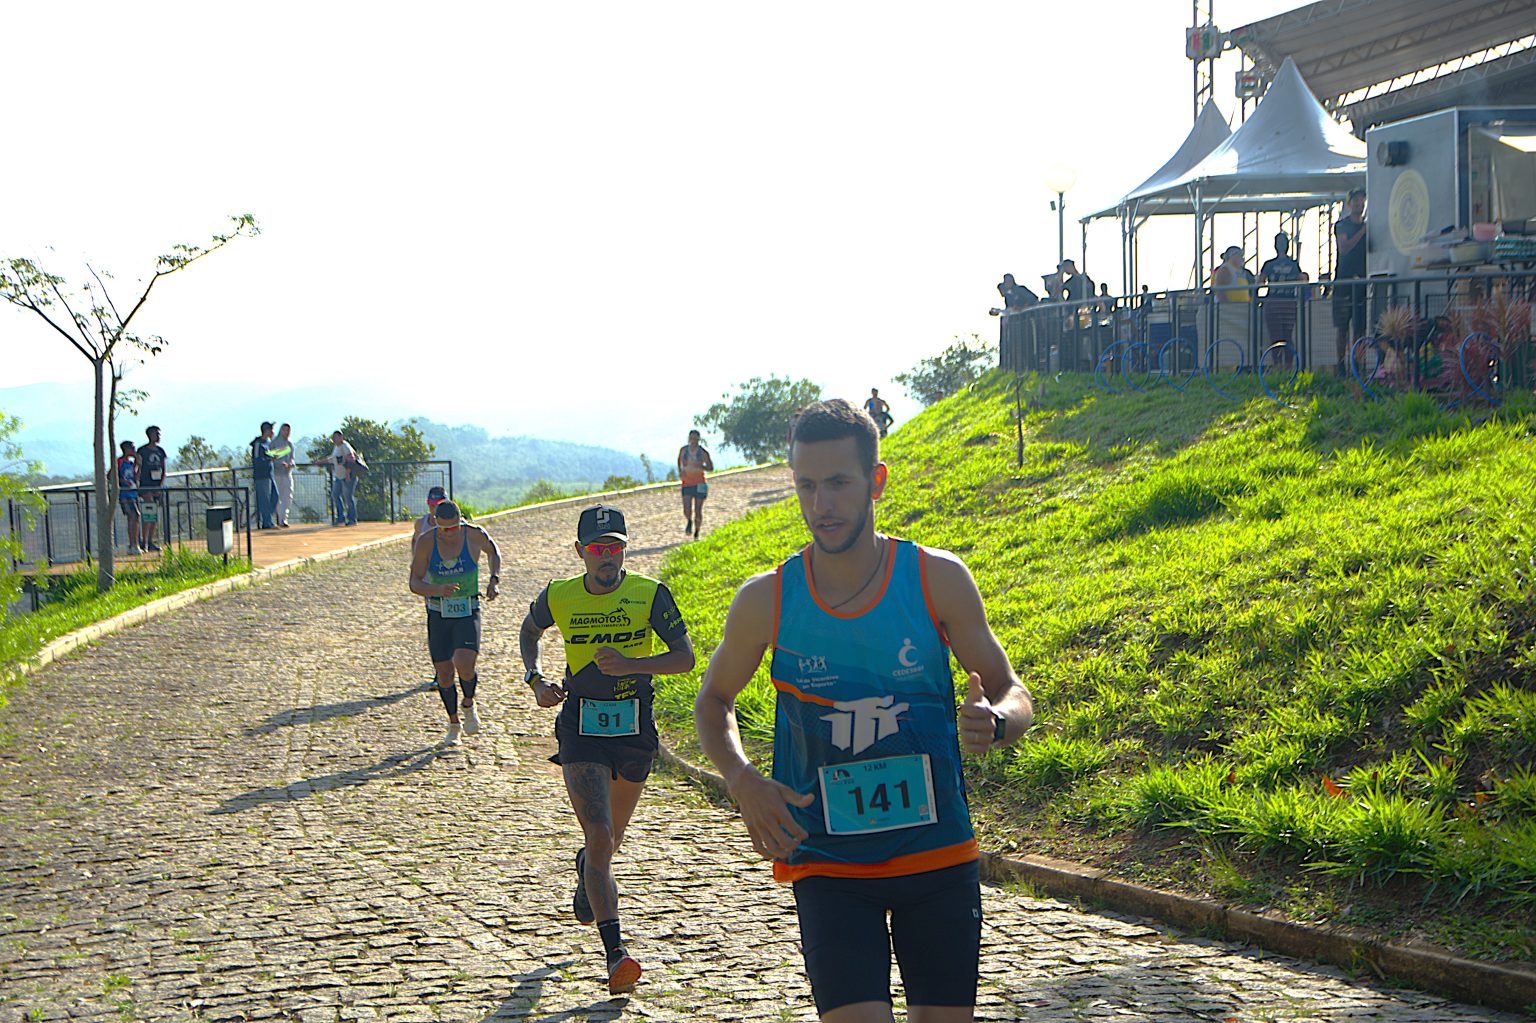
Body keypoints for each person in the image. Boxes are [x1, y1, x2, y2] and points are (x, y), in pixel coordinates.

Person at [694, 398, 1034, 1023]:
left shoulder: (936, 579)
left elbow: (1012, 688)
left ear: (876, 481)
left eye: (838, 484)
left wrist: (999, 720)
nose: (821, 505)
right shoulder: (767, 600)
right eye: (806, 485)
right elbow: (712, 700)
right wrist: (742, 780)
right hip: (827, 860)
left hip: (936, 856)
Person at [519, 504, 696, 995]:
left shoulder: (650, 594)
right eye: (597, 549)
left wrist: (634, 662)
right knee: (598, 833)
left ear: (624, 549)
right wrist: (535, 679)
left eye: (614, 547)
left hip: (634, 727)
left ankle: (587, 871)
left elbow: (685, 658)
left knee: (608, 842)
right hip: (581, 726)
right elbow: (528, 632)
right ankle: (615, 953)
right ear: (580, 552)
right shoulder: (559, 596)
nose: (607, 557)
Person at [408, 499, 502, 746]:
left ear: (461, 522)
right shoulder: (427, 542)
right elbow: (414, 582)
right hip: (438, 613)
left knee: (464, 662)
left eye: (454, 528)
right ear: (436, 524)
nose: (449, 533)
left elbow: (493, 552)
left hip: (467, 609)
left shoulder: (474, 535)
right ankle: (453, 723)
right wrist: (438, 589)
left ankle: (469, 703)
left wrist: (494, 580)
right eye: (444, 529)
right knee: (445, 673)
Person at [1333, 189, 1369, 375]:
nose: (1359, 204)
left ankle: (1358, 363)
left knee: (1360, 327)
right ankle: (1340, 364)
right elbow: (1344, 247)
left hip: (1361, 283)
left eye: (1362, 200)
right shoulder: (1341, 225)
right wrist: (1363, 231)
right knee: (1342, 327)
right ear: (1349, 204)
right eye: (1355, 201)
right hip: (1343, 283)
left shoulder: (1369, 226)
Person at [1258, 233, 1308, 354]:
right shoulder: (1294, 265)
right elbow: (1303, 280)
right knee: (1288, 336)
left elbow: (1259, 282)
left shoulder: (1268, 264)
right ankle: (1289, 365)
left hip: (1273, 302)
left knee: (1275, 337)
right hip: (1289, 303)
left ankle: (1278, 365)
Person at [314, 430, 360, 526]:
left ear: (341, 437)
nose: (334, 439)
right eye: (333, 438)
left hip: (347, 476)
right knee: (335, 495)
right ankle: (340, 518)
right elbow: (332, 459)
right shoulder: (337, 448)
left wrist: (347, 473)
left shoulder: (346, 447)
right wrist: (320, 462)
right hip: (339, 477)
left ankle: (352, 519)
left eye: (336, 437)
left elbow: (351, 460)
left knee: (348, 498)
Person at [1212, 245, 1255, 346]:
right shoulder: (1225, 269)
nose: (1242, 259)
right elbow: (1219, 291)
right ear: (1233, 256)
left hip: (1242, 310)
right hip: (1230, 311)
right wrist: (1227, 306)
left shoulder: (1240, 271)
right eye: (1240, 256)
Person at [677, 430, 714, 538]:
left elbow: (711, 467)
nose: (693, 441)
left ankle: (697, 531)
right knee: (686, 508)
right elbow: (679, 462)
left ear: (698, 440)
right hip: (687, 483)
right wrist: (681, 471)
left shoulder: (703, 452)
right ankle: (689, 520)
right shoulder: (683, 451)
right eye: (691, 438)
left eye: (695, 439)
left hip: (700, 483)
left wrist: (700, 466)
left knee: (698, 510)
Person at [137, 425, 168, 552]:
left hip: (156, 485)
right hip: (145, 485)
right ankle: (143, 541)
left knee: (154, 513)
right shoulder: (142, 451)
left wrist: (160, 484)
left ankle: (150, 541)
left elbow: (163, 468)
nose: (159, 437)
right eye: (157, 434)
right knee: (148, 511)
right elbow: (138, 467)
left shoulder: (160, 451)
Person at [115, 440, 143, 555]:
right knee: (133, 515)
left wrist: (139, 466)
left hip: (133, 492)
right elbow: (111, 476)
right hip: (124, 494)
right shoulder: (119, 461)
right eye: (132, 448)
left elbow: (135, 477)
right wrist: (123, 481)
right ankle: (132, 544)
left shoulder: (131, 464)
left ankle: (134, 543)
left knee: (135, 517)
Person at [249, 422, 278, 530]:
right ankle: (267, 522)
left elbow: (267, 455)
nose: (273, 432)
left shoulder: (267, 443)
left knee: (275, 496)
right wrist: (269, 459)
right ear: (266, 431)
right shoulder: (258, 444)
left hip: (270, 475)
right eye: (271, 430)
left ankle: (268, 519)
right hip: (261, 477)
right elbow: (257, 461)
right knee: (264, 500)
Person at [269, 423, 297, 528]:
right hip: (277, 474)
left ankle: (284, 518)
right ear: (281, 430)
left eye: (288, 430)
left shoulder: (290, 444)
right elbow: (271, 458)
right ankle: (280, 518)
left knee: (288, 496)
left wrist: (291, 464)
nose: (287, 432)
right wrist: (280, 464)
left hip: (287, 473)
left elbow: (292, 458)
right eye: (285, 430)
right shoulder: (274, 443)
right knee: (278, 496)